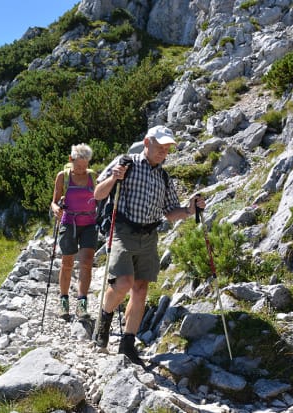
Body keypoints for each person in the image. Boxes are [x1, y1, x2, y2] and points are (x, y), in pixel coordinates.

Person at [93, 125, 205, 366]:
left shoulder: (163, 177)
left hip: (149, 236)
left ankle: (127, 344)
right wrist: (113, 178)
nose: (163, 151)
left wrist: (189, 210)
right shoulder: (127, 163)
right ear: (147, 142)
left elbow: (170, 213)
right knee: (123, 283)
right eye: (160, 146)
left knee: (141, 289)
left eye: (167, 148)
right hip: (123, 231)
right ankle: (105, 318)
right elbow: (98, 194)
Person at [50, 143, 98, 320]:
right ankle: (64, 300)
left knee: (86, 262)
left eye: (85, 166)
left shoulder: (93, 176)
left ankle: (82, 303)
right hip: (69, 222)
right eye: (78, 166)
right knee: (67, 262)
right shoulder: (62, 176)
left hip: (89, 223)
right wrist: (56, 208)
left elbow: (100, 197)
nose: (82, 169)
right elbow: (54, 201)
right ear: (71, 160)